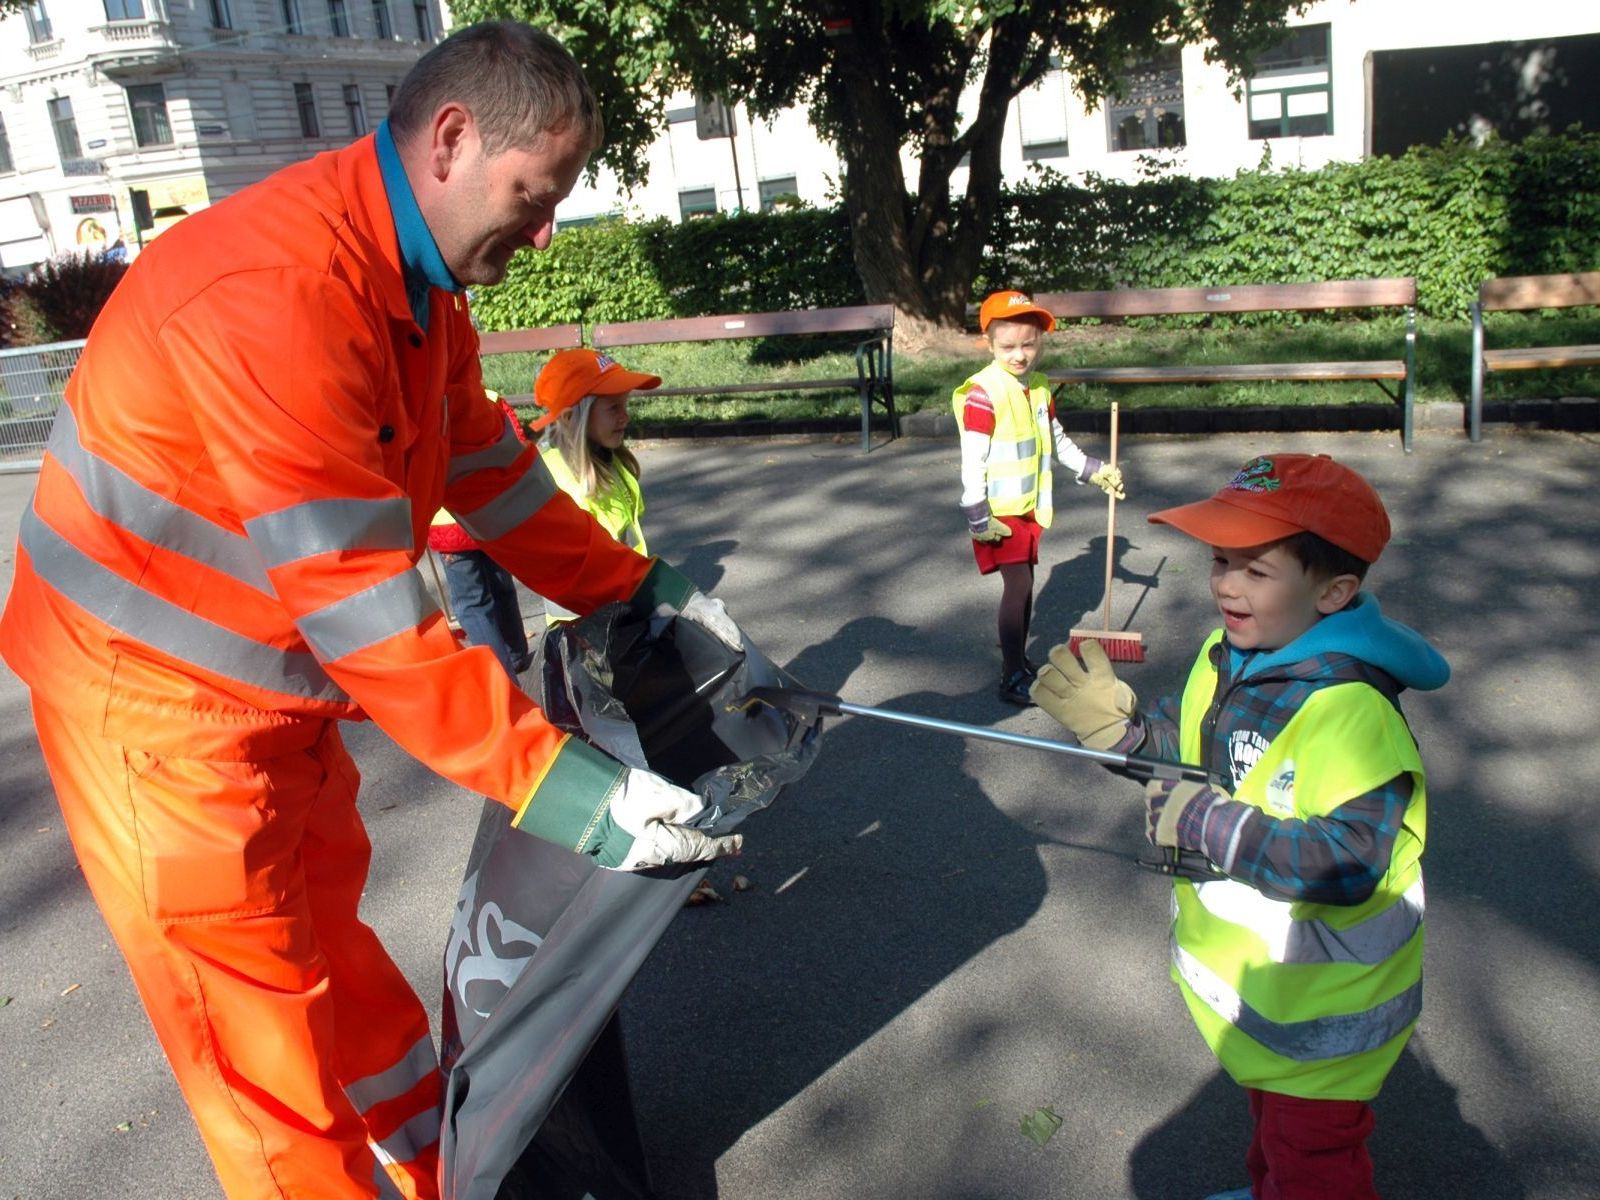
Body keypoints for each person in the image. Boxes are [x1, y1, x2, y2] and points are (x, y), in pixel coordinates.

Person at [0, 22, 747, 1200]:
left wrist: (635, 584)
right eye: (531, 196)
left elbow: (486, 468)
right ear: (451, 140)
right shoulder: (281, 294)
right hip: (152, 723)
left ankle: (442, 1173)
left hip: (261, 707)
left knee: (334, 972)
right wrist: (571, 791)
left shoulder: (415, 288)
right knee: (263, 1073)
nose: (546, 233)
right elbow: (361, 609)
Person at [1031, 453, 1450, 1200]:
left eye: (1257, 570)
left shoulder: (1351, 712)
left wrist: (1214, 826)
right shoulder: (1228, 659)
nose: (1226, 583)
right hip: (1265, 1004)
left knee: (1317, 1166)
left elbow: (1352, 860)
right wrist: (1125, 737)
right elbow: (1188, 751)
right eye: (1222, 561)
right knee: (1274, 1142)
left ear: (1334, 591)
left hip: (1327, 1018)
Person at [953, 289, 1125, 705]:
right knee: (1019, 584)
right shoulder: (983, 394)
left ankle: (1020, 661)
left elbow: (1057, 441)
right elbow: (972, 459)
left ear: (1040, 342)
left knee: (1026, 585)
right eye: (1008, 346)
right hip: (997, 513)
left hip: (1028, 507)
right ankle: (1011, 673)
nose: (1019, 355)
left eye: (1028, 344)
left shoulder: (1039, 390)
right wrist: (977, 514)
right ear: (989, 344)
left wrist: (1092, 469)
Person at [526, 347, 659, 622]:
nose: (626, 416)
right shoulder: (556, 480)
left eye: (625, 405)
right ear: (571, 417)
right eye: (613, 408)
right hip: (586, 631)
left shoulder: (607, 459)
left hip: (622, 607)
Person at [427, 388, 535, 675]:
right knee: (501, 585)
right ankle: (516, 653)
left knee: (472, 603)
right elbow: (518, 443)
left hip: (446, 519)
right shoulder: (489, 398)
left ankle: (501, 673)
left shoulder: (424, 404)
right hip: (492, 512)